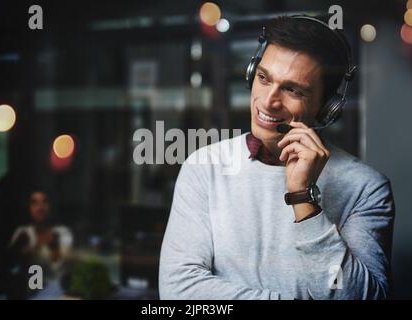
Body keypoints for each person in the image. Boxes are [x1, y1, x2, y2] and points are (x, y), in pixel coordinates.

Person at [159, 15, 395, 300]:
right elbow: (179, 290)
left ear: (327, 108)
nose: (269, 100)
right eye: (263, 77)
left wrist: (302, 198)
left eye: (293, 89)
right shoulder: (202, 167)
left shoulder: (367, 188)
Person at [8, 189, 73, 297]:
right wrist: (17, 250)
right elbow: (12, 267)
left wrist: (53, 248)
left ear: (51, 205)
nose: (40, 207)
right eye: (34, 202)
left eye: (44, 202)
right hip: (30, 294)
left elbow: (65, 266)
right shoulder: (22, 233)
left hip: (59, 294)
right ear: (29, 207)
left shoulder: (62, 233)